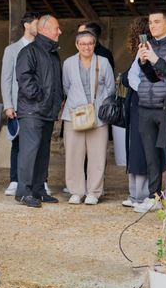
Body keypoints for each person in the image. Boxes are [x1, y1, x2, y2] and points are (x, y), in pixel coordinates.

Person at [14, 15, 63, 208]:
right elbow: (24, 79)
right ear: (44, 30)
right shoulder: (29, 52)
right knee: (29, 151)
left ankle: (38, 189)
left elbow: (55, 82)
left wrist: (57, 101)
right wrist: (40, 97)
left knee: (43, 152)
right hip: (32, 110)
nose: (59, 32)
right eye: (56, 28)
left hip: (47, 110)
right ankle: (23, 192)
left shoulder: (52, 53)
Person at [61, 31, 115, 205]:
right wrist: (80, 103)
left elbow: (110, 88)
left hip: (97, 115)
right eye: (83, 43)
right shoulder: (68, 63)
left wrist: (96, 104)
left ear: (94, 45)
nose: (86, 47)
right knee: (73, 154)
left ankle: (94, 191)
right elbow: (66, 87)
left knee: (97, 154)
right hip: (74, 114)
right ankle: (76, 191)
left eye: (90, 43)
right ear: (77, 45)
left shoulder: (103, 62)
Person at [134, 10, 166, 213]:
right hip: (145, 106)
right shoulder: (148, 44)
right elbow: (152, 78)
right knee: (150, 156)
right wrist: (144, 62)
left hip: (165, 107)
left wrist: (155, 59)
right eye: (150, 22)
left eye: (157, 21)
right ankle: (154, 196)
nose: (152, 26)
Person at [0, 11, 39, 196]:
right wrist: (8, 104)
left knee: (37, 145)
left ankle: (40, 181)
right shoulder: (11, 50)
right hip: (17, 104)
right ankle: (15, 180)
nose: (38, 28)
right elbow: (6, 79)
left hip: (37, 105)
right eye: (36, 24)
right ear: (27, 25)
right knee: (17, 144)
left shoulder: (41, 48)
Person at [120, 17, 150, 209]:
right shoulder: (139, 54)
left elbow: (129, 78)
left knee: (141, 150)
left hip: (144, 104)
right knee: (134, 148)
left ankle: (141, 195)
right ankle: (134, 194)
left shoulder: (148, 52)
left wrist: (124, 77)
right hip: (135, 105)